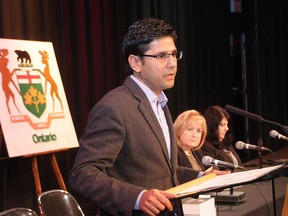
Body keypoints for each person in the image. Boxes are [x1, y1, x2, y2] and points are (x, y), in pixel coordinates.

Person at [69, 18, 203, 216]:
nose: (172, 64)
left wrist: (203, 177)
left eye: (174, 54)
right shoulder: (113, 107)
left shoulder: (159, 102)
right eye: (161, 56)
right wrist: (137, 198)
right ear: (135, 62)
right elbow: (82, 174)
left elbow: (163, 172)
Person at [201, 105, 242, 169]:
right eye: (222, 125)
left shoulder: (226, 143)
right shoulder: (206, 146)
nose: (227, 128)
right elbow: (213, 171)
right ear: (212, 126)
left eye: (227, 124)